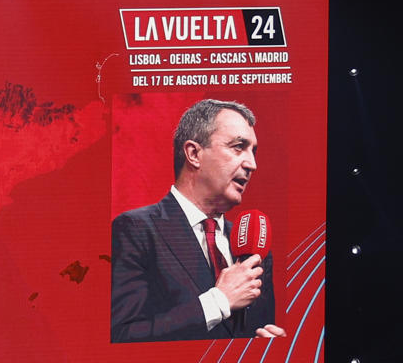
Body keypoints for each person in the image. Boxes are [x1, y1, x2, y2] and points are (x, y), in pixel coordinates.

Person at [109, 98, 284, 343]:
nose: (252, 164)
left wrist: (268, 345)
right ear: (194, 154)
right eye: (238, 147)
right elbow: (122, 336)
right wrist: (219, 301)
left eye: (253, 151)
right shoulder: (135, 230)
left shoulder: (254, 248)